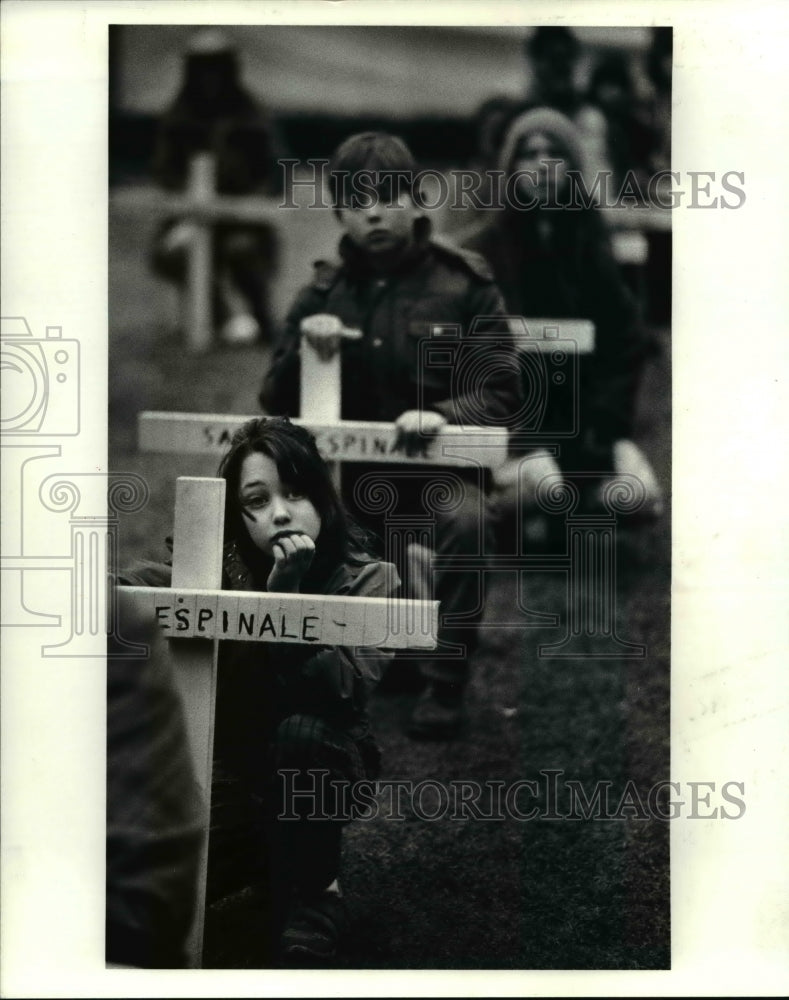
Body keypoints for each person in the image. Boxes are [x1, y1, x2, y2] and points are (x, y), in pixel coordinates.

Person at [259, 131, 522, 740]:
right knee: (308, 531)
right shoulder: (323, 295)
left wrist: (448, 414)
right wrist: (308, 351)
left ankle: (445, 683)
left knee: (469, 522)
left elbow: (506, 390)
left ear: (417, 199)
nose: (373, 212)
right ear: (340, 215)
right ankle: (352, 667)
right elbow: (271, 405)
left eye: (388, 196)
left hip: (444, 476)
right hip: (357, 483)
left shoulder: (464, 283)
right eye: (356, 201)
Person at [120, 416, 400, 965]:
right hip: (228, 770)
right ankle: (270, 863)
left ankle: (315, 896)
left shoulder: (369, 578)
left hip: (321, 762)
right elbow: (144, 586)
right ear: (237, 515)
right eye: (257, 500)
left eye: (295, 493)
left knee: (304, 734)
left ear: (322, 497)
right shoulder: (216, 568)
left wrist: (286, 604)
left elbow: (344, 687)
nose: (279, 512)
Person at [459, 107, 664, 539]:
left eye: (555, 153)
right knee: (543, 488)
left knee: (639, 496)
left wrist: (608, 428)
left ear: (572, 164)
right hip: (515, 427)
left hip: (585, 426)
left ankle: (565, 511)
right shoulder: (485, 247)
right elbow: (477, 358)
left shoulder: (589, 238)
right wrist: (523, 438)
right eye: (529, 154)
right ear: (512, 166)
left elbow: (625, 339)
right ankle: (522, 508)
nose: (542, 165)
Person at [149, 29, 287, 345]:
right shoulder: (177, 117)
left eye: (216, 67)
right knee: (177, 252)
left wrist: (251, 201)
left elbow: (276, 168)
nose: (209, 77)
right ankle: (221, 317)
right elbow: (163, 171)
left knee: (243, 249)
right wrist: (187, 201)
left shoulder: (252, 116)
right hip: (192, 216)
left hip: (243, 219)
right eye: (202, 68)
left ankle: (261, 317)